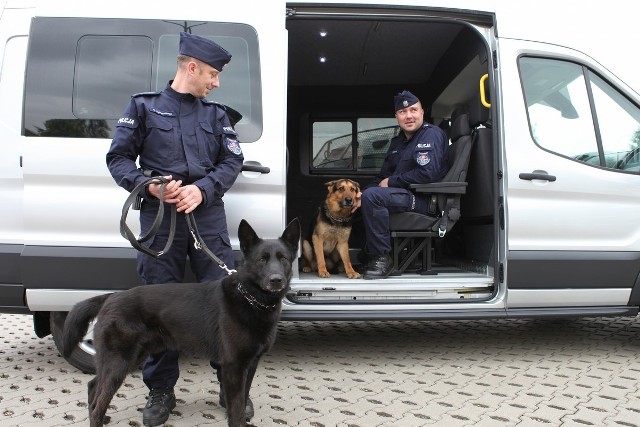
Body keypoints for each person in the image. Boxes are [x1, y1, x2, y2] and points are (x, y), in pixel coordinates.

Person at [106, 32, 248, 426]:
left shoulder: (216, 115)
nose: (216, 82)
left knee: (226, 305)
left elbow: (232, 162)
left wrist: (202, 190)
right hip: (160, 221)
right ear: (192, 67)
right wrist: (149, 185)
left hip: (207, 219)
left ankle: (229, 384)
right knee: (157, 308)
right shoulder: (143, 107)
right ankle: (161, 390)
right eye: (214, 75)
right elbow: (118, 158)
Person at [353, 90, 450, 279]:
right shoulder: (398, 142)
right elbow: (382, 175)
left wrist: (391, 182)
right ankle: (369, 251)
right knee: (362, 198)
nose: (409, 116)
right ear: (396, 116)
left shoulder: (431, 135)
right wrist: (361, 194)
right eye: (403, 112)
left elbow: (427, 173)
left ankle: (382, 257)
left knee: (373, 197)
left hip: (423, 199)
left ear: (422, 112)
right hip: (401, 196)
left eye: (413, 110)